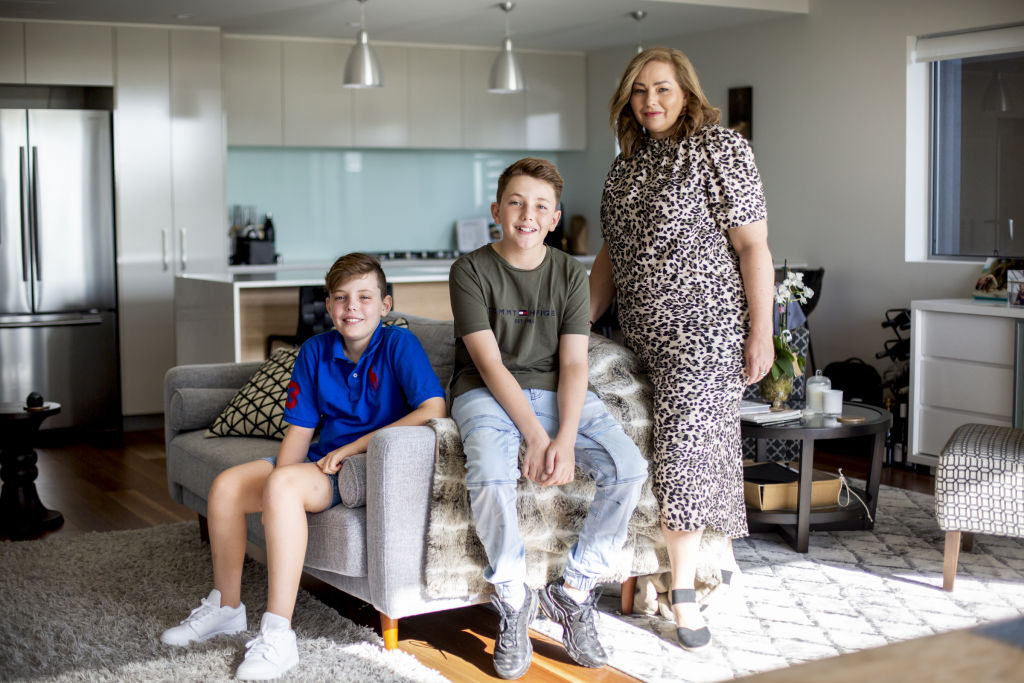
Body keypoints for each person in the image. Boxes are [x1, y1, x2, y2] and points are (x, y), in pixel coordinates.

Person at [160, 253, 447, 680]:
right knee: (226, 487)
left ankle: (279, 635)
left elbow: (433, 408)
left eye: (365, 297)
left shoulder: (398, 345)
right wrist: (281, 479)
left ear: (385, 305)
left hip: (360, 469)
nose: (353, 307)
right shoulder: (314, 351)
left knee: (282, 488)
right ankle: (226, 607)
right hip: (321, 461)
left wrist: (353, 448)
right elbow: (299, 430)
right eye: (341, 298)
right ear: (328, 306)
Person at [590, 47, 774, 651]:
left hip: (705, 332)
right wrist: (573, 329)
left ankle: (685, 588)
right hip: (638, 333)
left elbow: (753, 247)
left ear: (687, 93)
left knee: (684, 451)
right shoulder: (625, 168)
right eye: (640, 91)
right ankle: (625, 570)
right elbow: (608, 263)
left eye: (663, 89)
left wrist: (761, 330)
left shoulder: (719, 150)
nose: (651, 101)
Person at [448, 157, 648, 679]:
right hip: (484, 393)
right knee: (489, 473)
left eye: (540, 206)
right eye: (515, 202)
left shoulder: (569, 274)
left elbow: (576, 363)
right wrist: (538, 438)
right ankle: (513, 599)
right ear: (497, 210)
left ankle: (575, 590)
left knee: (628, 467)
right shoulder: (469, 270)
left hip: (557, 390)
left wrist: (563, 434)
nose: (526, 215)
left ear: (555, 218)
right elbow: (489, 365)